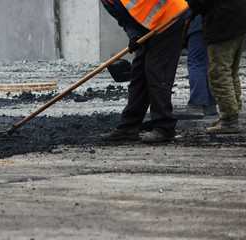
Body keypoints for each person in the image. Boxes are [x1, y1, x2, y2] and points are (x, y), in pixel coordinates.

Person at [100, 0, 190, 143]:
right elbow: (124, 20)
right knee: (138, 75)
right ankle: (129, 126)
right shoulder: (106, 1)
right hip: (147, 30)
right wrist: (134, 35)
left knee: (157, 72)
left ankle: (164, 128)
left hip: (169, 20)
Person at [186, 0, 246, 134]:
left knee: (219, 73)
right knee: (230, 71)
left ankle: (230, 120)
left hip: (223, 23)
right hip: (237, 19)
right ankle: (231, 113)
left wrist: (191, 8)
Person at [173, 15, 217, 118]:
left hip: (200, 25)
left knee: (196, 63)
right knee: (206, 63)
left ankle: (197, 104)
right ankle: (209, 104)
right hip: (213, 25)